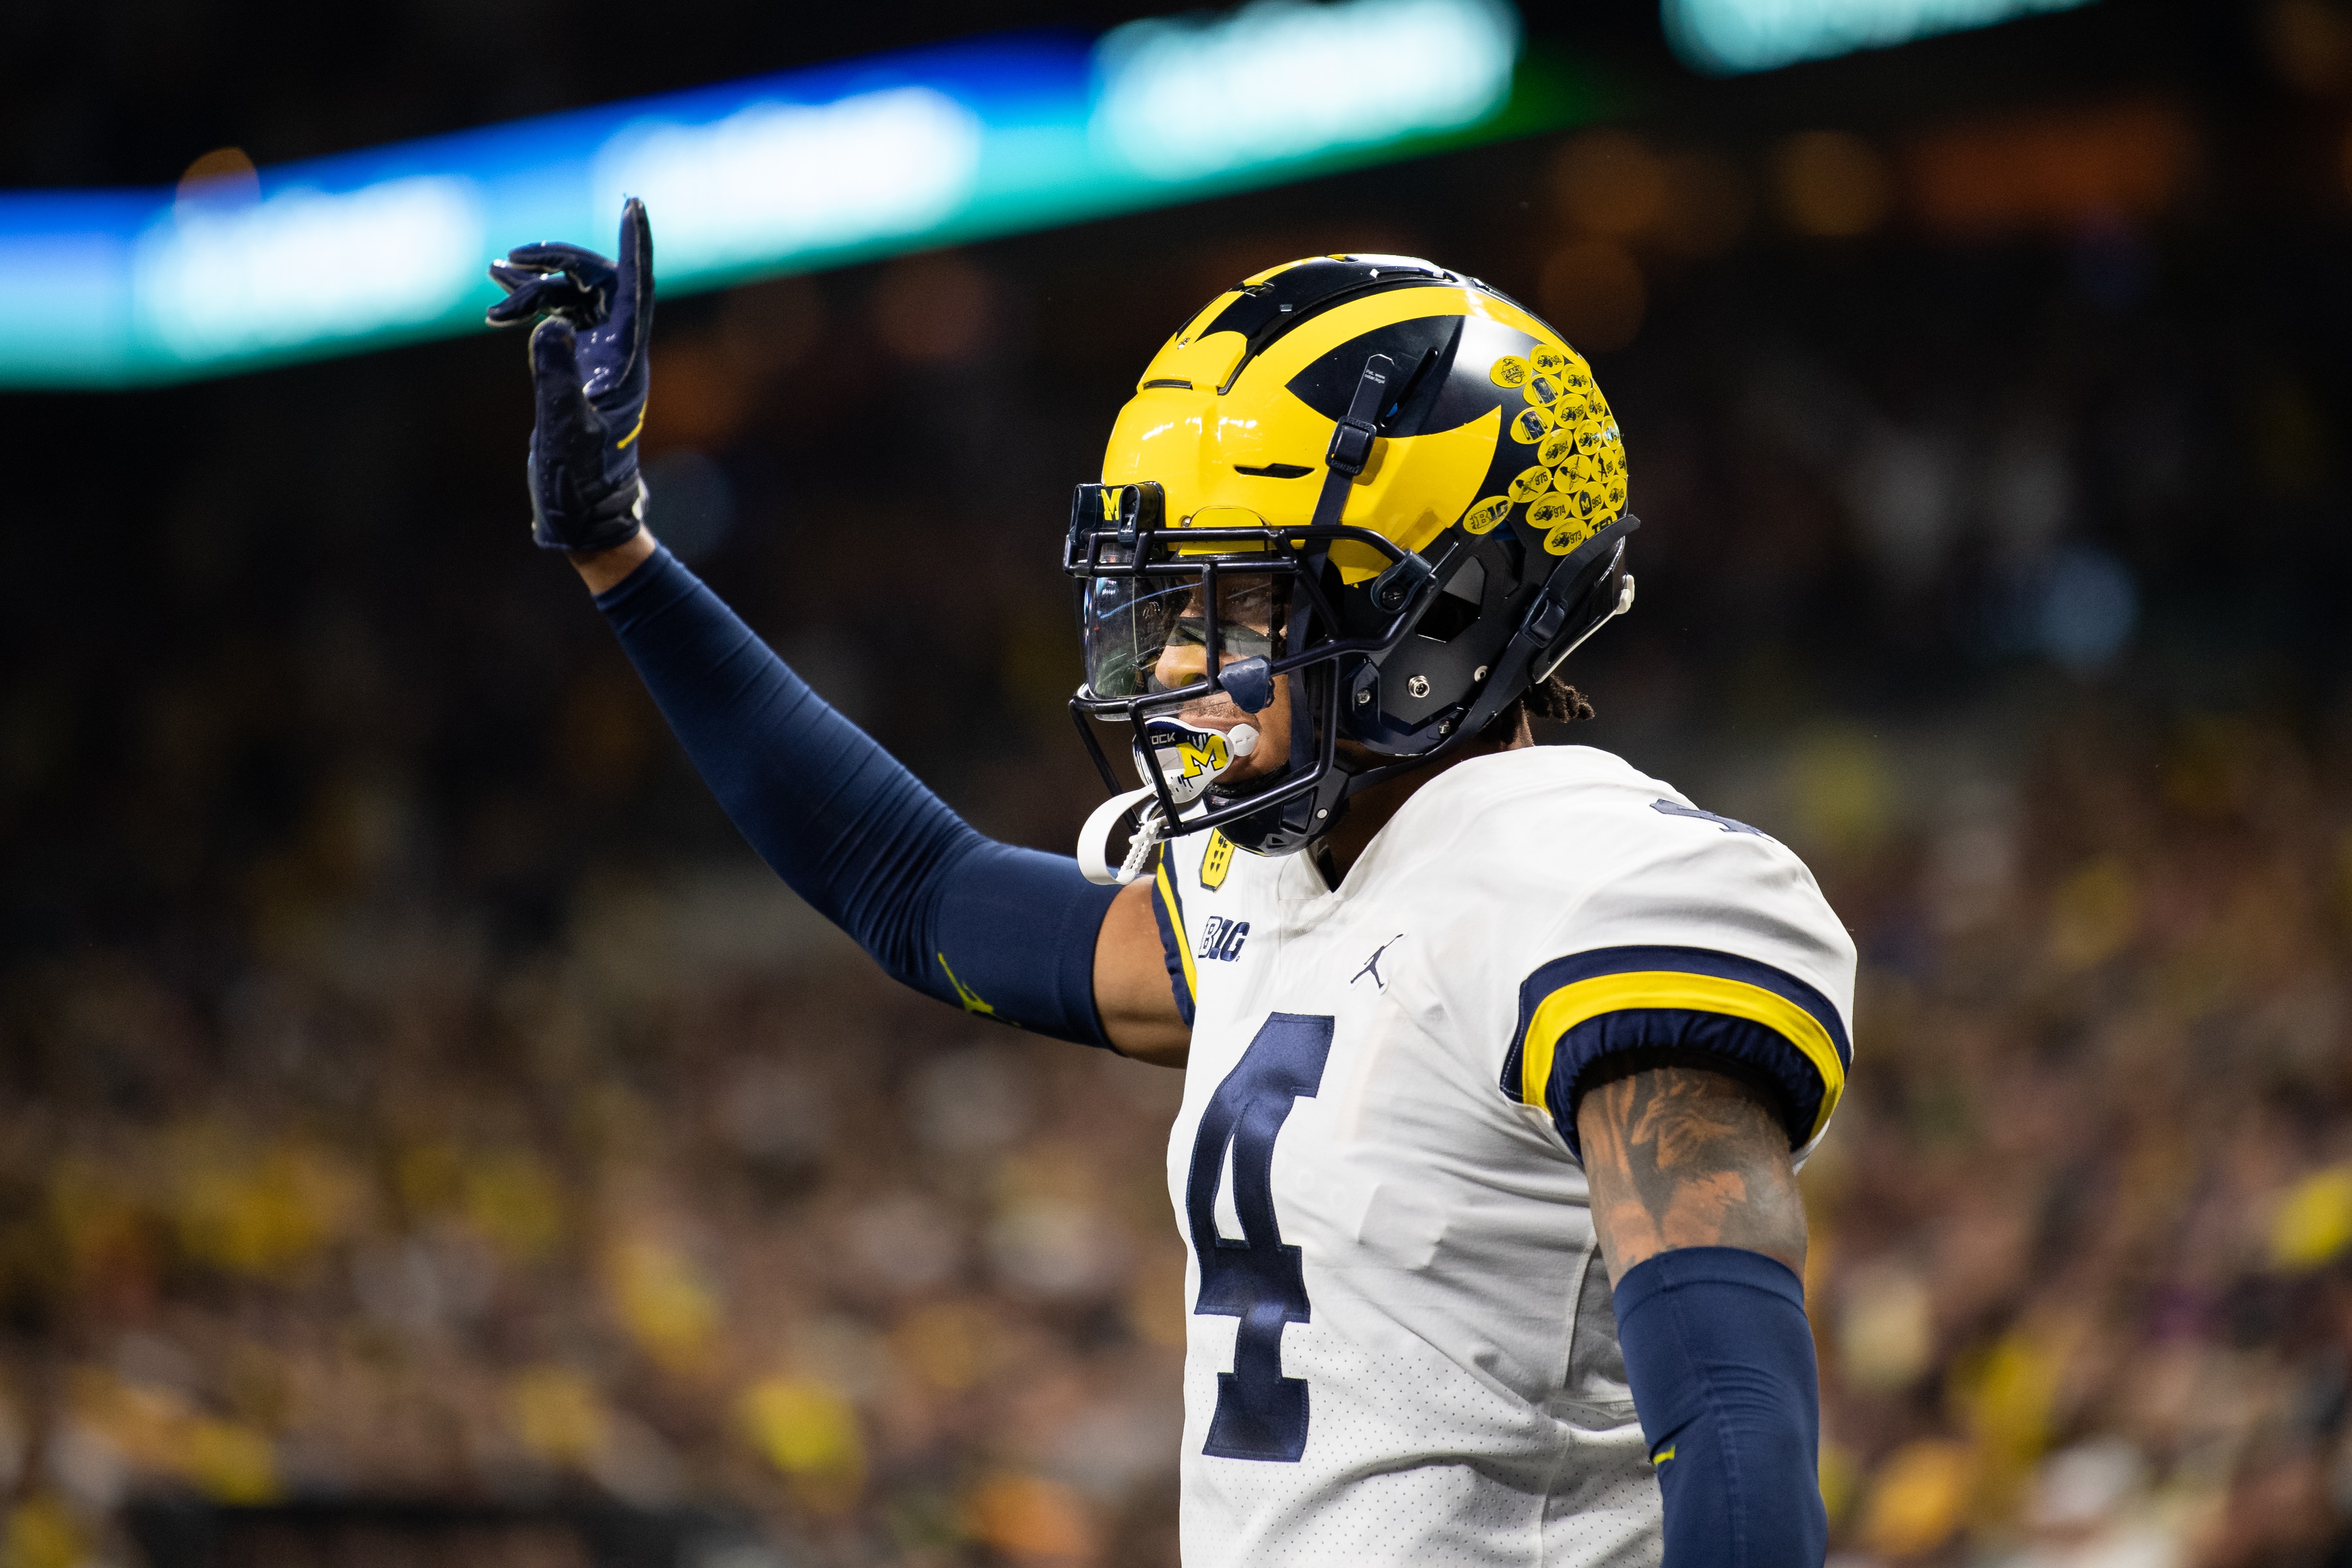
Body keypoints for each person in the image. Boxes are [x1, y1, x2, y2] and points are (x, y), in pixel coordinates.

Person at [490, 201, 1855, 1567]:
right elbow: (921, 894)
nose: (1170, 671)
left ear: (1440, 610)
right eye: (1167, 610)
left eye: (1238, 609)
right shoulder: (1275, 883)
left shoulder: (1595, 881)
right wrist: (624, 559)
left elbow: (1736, 1428)